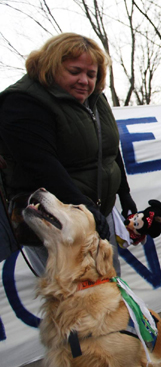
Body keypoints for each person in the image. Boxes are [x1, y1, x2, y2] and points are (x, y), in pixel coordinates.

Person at [0, 33, 136, 276]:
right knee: (75, 298)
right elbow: (41, 165)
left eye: (91, 75)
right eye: (75, 72)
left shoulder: (96, 99)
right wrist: (84, 207)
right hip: (55, 224)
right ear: (51, 66)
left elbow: (110, 150)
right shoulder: (22, 101)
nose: (84, 81)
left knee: (109, 286)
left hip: (95, 215)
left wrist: (124, 196)